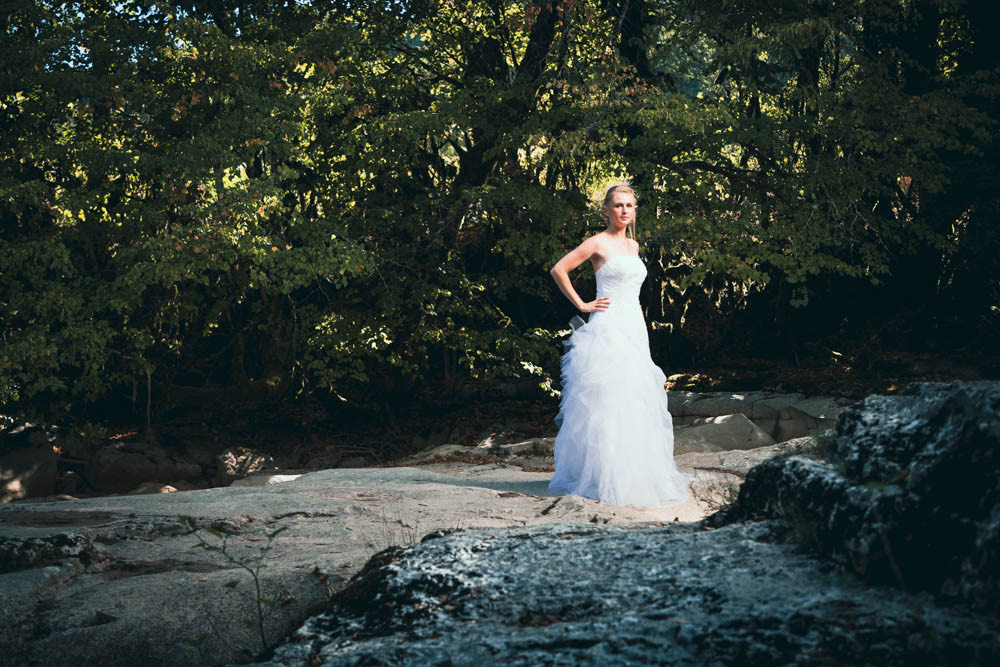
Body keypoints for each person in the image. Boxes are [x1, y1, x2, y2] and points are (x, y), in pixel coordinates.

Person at [547, 182, 690, 507]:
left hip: (633, 327)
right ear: (606, 210)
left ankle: (635, 473)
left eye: (629, 206)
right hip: (608, 327)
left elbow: (632, 289)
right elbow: (559, 269)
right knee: (609, 399)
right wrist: (583, 305)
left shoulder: (634, 246)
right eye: (618, 205)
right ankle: (603, 477)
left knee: (636, 396)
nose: (624, 210)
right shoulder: (597, 243)